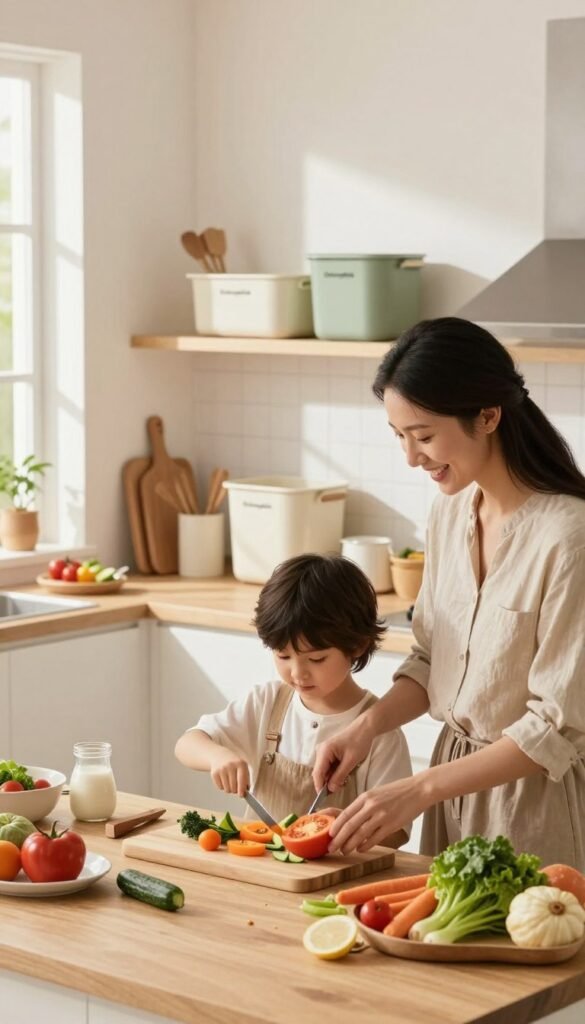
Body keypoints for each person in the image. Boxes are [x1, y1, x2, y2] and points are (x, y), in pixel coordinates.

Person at [313, 316, 585, 870]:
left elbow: (552, 728)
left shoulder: (569, 539)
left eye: (425, 435)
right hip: (451, 794)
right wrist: (364, 727)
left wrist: (417, 790)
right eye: (400, 437)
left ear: (488, 416)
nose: (412, 458)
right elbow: (430, 657)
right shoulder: (448, 513)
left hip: (534, 805)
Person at [175, 553, 413, 847]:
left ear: (357, 645)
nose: (298, 673)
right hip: (260, 871)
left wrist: (353, 828)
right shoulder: (268, 702)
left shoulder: (380, 730)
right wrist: (217, 756)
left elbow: (397, 833)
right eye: (283, 656)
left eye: (316, 658)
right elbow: (186, 744)